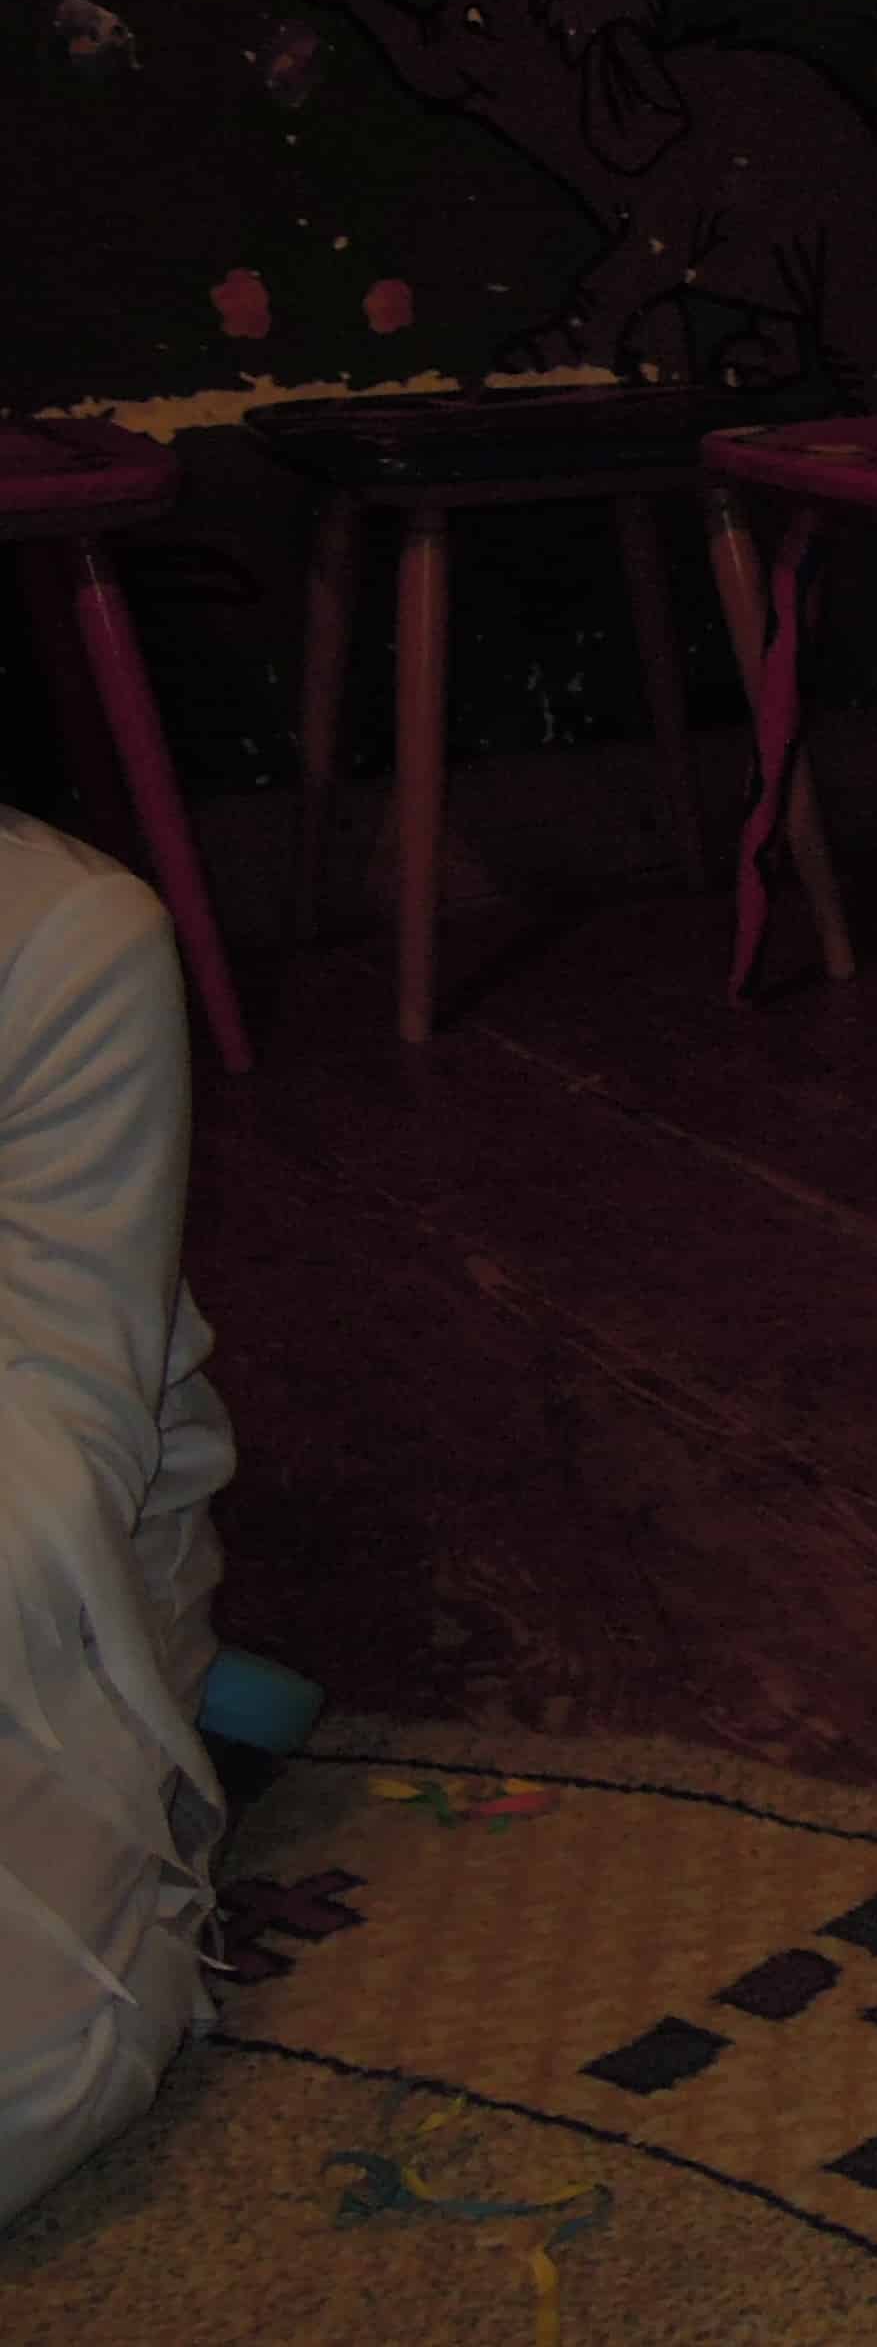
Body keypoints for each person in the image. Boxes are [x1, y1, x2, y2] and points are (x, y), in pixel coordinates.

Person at [0, 806, 238, 2225]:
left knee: (28, 2079)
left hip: (42, 1575)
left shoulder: (59, 941)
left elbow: (52, 1446)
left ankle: (148, 1812)